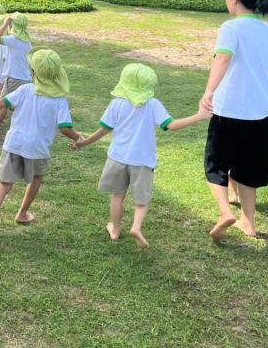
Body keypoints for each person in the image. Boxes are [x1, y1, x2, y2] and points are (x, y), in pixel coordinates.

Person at [70, 64, 210, 249]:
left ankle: (115, 229)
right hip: (142, 161)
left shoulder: (117, 103)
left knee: (117, 195)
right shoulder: (153, 104)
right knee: (141, 201)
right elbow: (170, 125)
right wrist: (199, 116)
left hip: (117, 158)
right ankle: (136, 227)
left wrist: (84, 142)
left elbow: (104, 130)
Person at [0, 49, 80, 242]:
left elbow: (3, 103)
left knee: (4, 184)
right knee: (36, 179)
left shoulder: (25, 89)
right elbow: (64, 128)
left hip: (14, 144)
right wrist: (77, 137)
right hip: (37, 149)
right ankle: (22, 213)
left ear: (34, 72)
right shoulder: (60, 100)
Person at [200, 0, 268, 241]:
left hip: (230, 109)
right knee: (249, 165)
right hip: (261, 111)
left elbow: (222, 58)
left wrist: (208, 92)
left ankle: (224, 213)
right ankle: (248, 222)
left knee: (216, 162)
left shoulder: (230, 28)